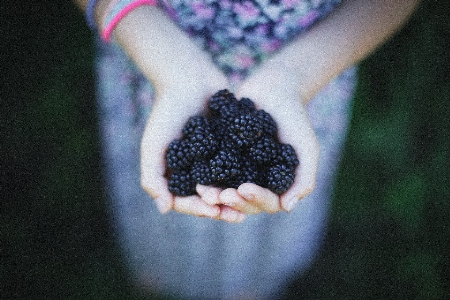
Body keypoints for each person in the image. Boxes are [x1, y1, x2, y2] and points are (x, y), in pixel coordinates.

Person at [74, 0, 420, 298]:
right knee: (161, 212)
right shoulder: (206, 135)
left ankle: (251, 282)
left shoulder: (259, 139)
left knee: (263, 216)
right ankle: (160, 268)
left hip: (307, 79)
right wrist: (161, 53)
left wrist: (296, 76)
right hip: (154, 65)